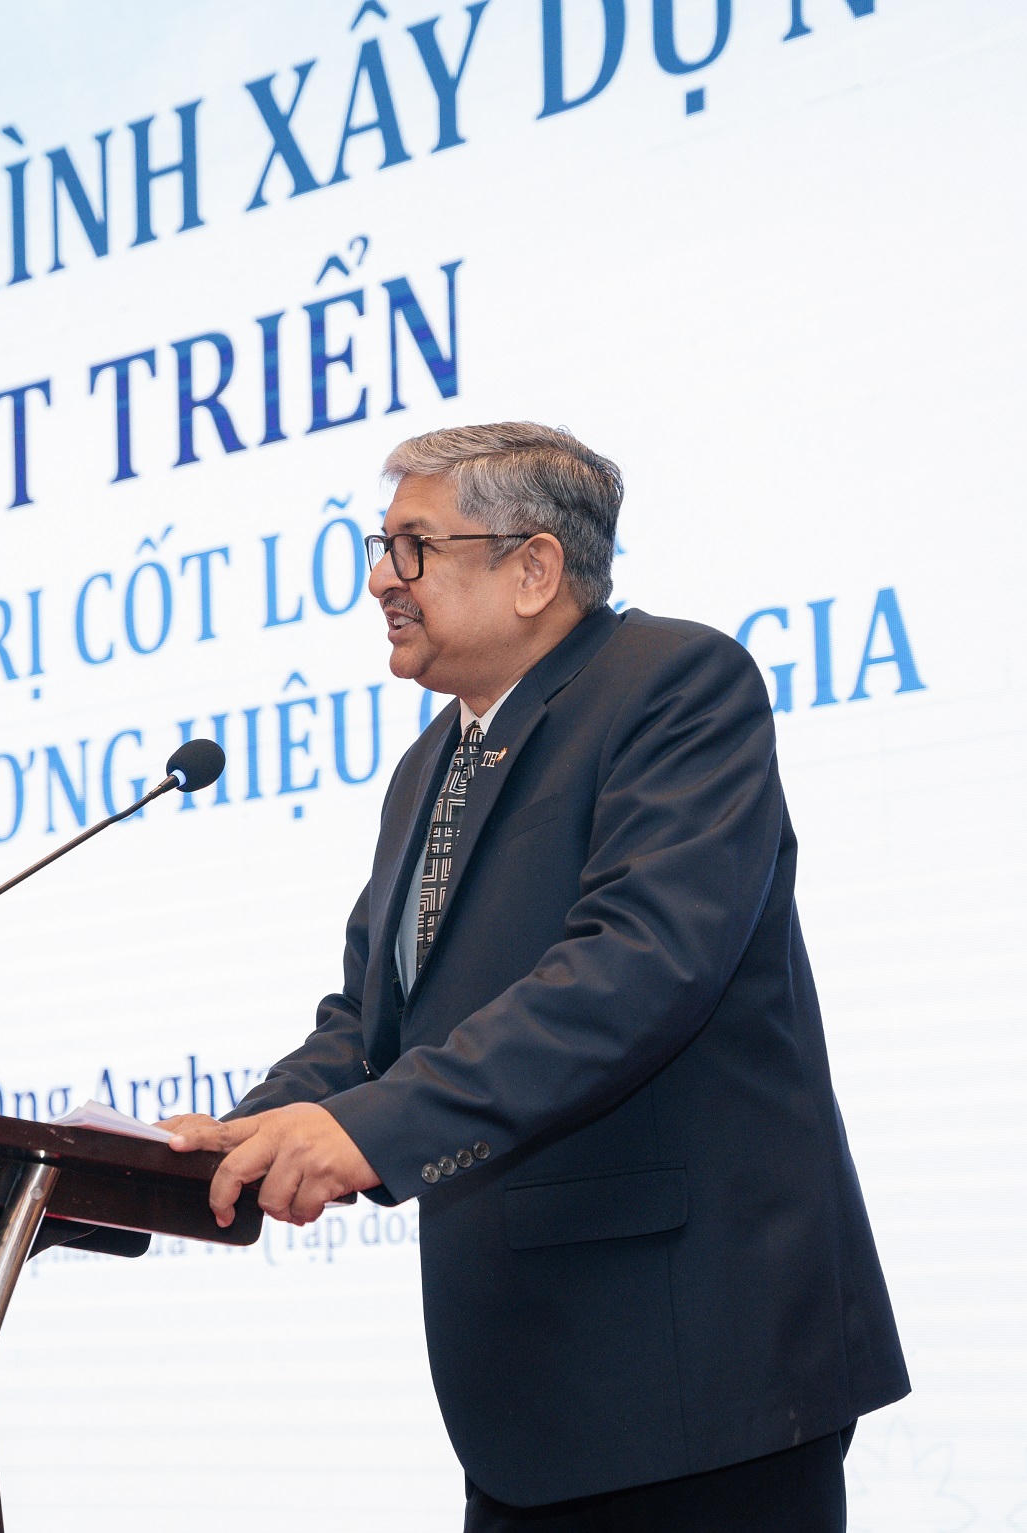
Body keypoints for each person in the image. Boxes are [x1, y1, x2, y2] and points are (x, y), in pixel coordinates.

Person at [160, 422, 909, 1530]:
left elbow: (634, 968)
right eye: (380, 547)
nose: (381, 580)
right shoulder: (429, 765)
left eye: (413, 547)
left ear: (533, 568)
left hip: (694, 1375)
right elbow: (371, 1021)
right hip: (526, 1404)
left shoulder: (674, 686)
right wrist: (250, 1130)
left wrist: (366, 1130)